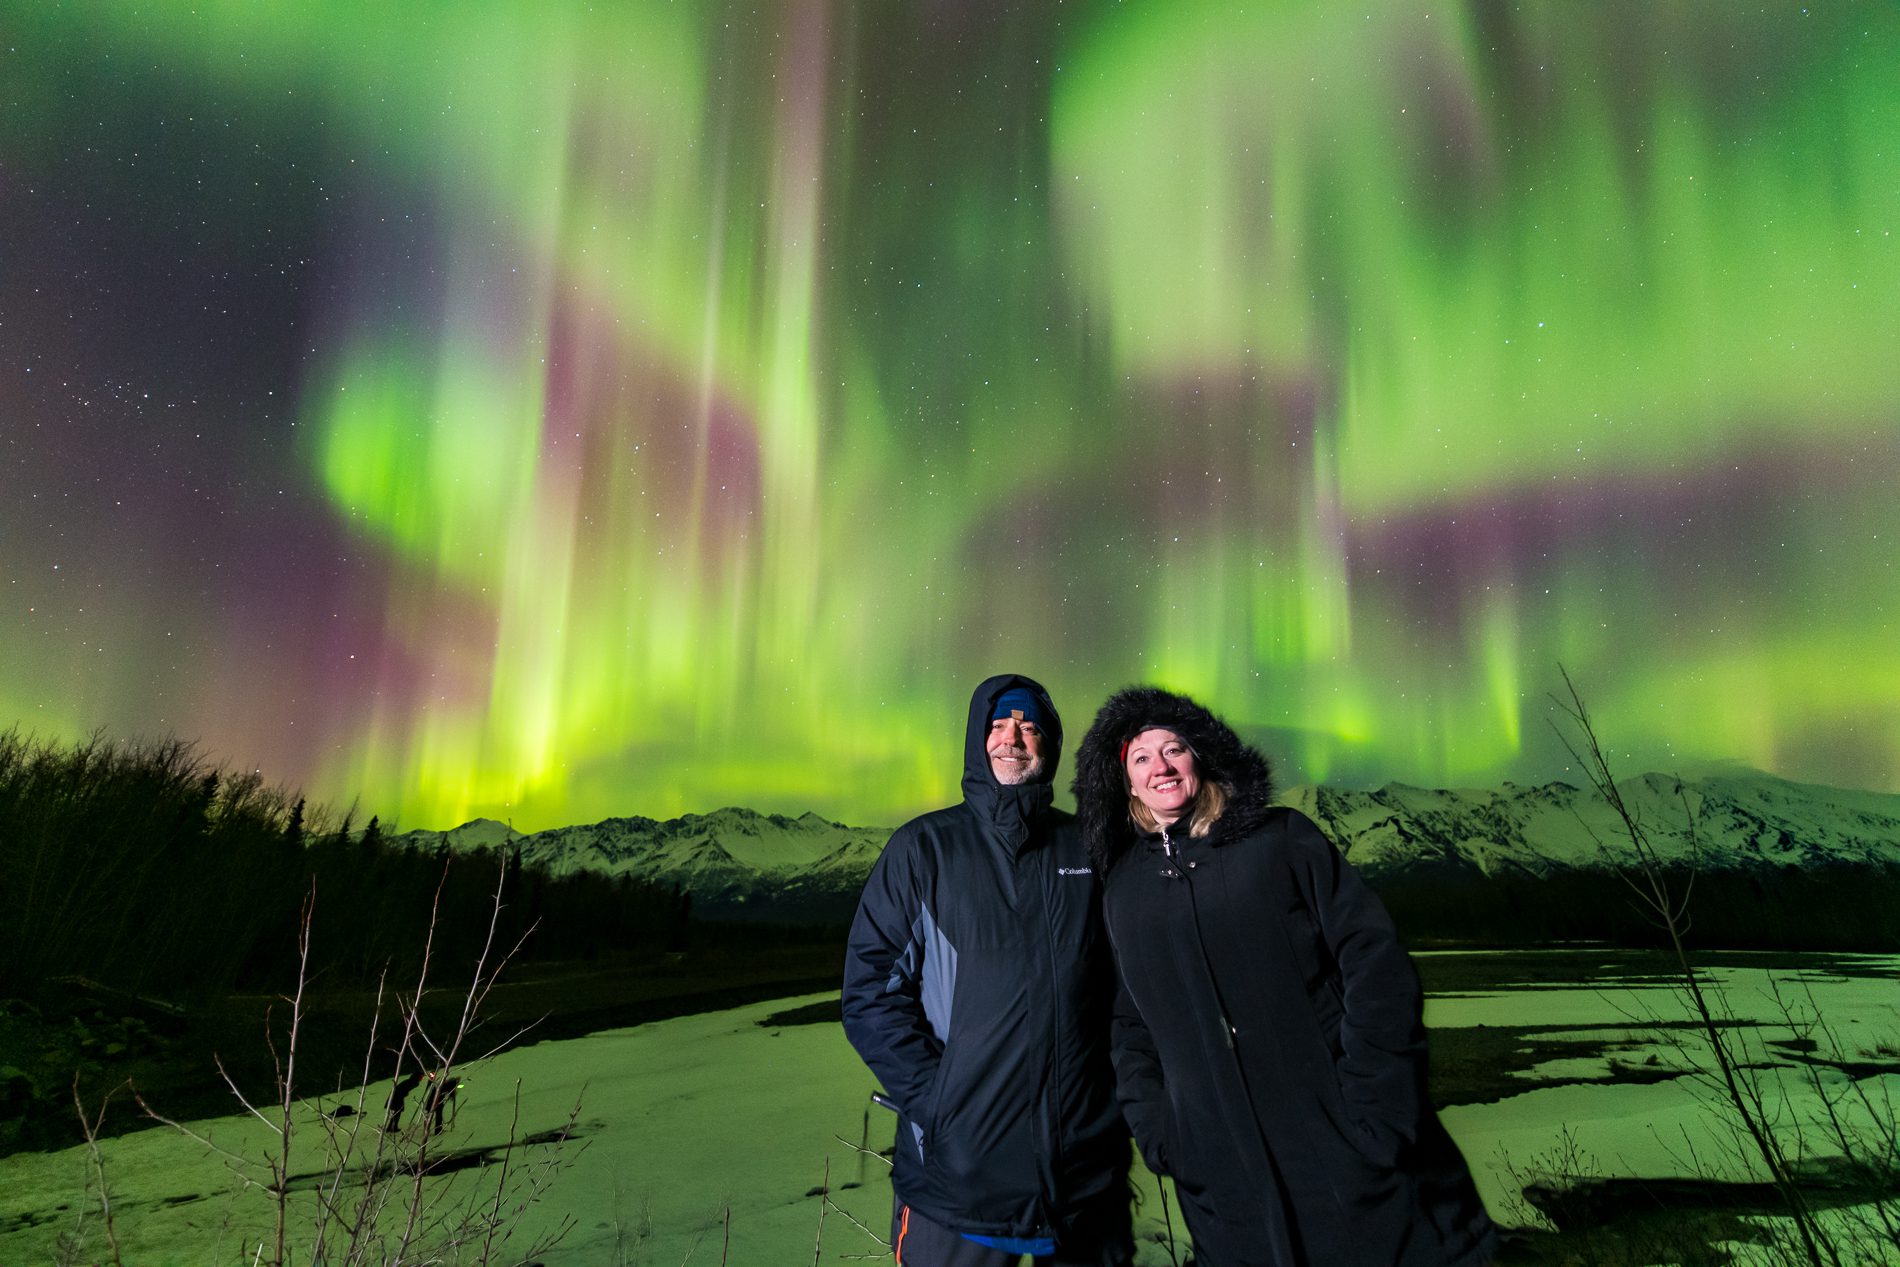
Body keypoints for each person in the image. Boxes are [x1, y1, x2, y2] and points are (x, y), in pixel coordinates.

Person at [1071, 686, 1497, 1267]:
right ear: (1123, 780)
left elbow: (1375, 961)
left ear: (1202, 755)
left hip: (1350, 1153)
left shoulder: (1281, 839)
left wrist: (1376, 1103)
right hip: (1225, 1182)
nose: (1160, 767)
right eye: (1140, 758)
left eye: (1174, 749)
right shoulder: (1123, 889)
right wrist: (1166, 1132)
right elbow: (1129, 1025)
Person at [842, 674, 1134, 1266]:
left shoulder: (1087, 848)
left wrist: (1118, 1104)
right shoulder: (925, 849)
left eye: (1028, 726)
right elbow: (870, 992)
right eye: (998, 725)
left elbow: (1126, 992)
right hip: (957, 1185)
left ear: (1049, 744)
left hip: (1083, 1183)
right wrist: (940, 1104)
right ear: (978, 740)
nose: (1013, 738)